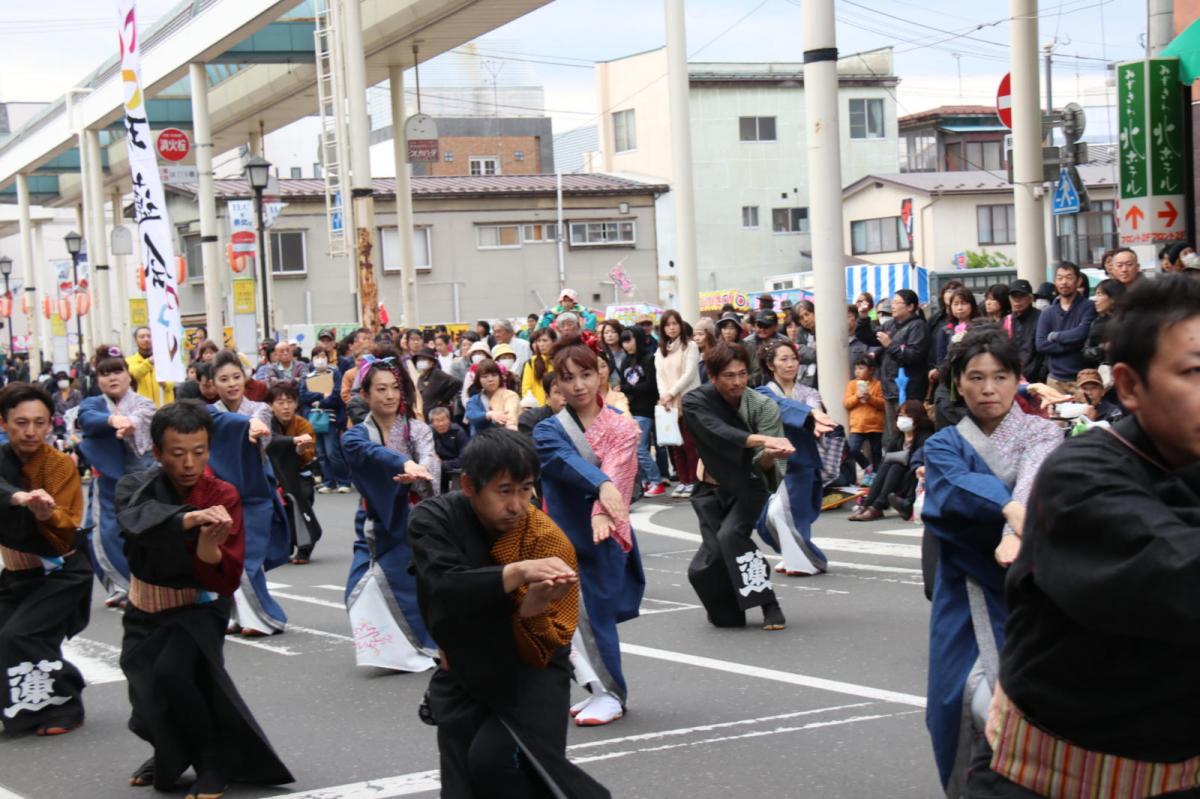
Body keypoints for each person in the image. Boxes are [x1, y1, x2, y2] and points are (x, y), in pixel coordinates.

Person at [965, 275, 1200, 797]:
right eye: (1196, 372)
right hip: (1044, 782)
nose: (989, 390)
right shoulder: (1084, 470)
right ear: (1130, 386)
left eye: (999, 377)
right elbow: (1178, 575)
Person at [409, 429, 611, 799]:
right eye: (504, 490)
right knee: (460, 785)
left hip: (530, 672)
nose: (517, 504)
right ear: (469, 485)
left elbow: (553, 638)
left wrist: (532, 610)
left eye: (525, 489)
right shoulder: (434, 518)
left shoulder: (546, 540)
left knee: (499, 761)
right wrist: (516, 573)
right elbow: (443, 585)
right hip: (465, 667)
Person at [116, 401, 293, 796]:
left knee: (174, 675)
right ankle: (170, 750)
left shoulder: (222, 494)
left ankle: (211, 763)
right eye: (177, 454)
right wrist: (188, 519)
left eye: (199, 452)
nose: (189, 463)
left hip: (197, 608)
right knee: (144, 696)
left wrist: (208, 549)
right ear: (158, 452)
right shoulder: (136, 486)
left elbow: (226, 576)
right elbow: (134, 520)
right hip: (144, 607)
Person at [919, 326, 1063, 797]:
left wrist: (1012, 526)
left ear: (1017, 379)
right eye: (976, 377)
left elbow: (1035, 481)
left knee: (1031, 714)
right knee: (955, 705)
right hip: (966, 592)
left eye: (1000, 377)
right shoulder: (944, 444)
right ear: (958, 382)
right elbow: (952, 493)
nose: (988, 389)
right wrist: (1009, 513)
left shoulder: (1045, 433)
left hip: (1034, 594)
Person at [533, 336, 644, 727]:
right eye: (567, 378)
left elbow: (620, 472)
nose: (578, 385)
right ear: (556, 385)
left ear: (601, 375)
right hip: (563, 534)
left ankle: (612, 693)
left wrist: (602, 509)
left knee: (594, 616)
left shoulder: (622, 427)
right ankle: (597, 689)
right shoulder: (548, 430)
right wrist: (602, 487)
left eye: (585, 374)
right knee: (565, 618)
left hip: (603, 536)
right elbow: (564, 462)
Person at [682, 342, 804, 631]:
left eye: (742, 374)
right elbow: (717, 432)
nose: (737, 382)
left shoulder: (762, 406)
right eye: (728, 376)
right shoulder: (695, 401)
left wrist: (768, 456)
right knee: (707, 564)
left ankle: (768, 602)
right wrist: (762, 441)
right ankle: (728, 612)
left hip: (749, 486)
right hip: (709, 487)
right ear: (712, 376)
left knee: (731, 536)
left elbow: (767, 467)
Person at [341, 352, 440, 672]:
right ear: (366, 395)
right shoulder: (358, 434)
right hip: (376, 520)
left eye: (394, 387)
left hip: (416, 519)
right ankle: (393, 650)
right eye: (380, 389)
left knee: (409, 583)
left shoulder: (416, 429)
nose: (388, 395)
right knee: (360, 586)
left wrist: (420, 473)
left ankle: (424, 646)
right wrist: (402, 463)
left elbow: (429, 460)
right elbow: (365, 452)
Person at [0, 383, 88, 736]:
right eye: (21, 422)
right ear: (3, 423)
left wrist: (44, 514)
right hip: (18, 572)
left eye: (39, 422)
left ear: (50, 423)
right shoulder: (3, 461)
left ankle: (67, 703)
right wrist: (20, 498)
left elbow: (69, 525)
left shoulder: (58, 465)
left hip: (62, 571)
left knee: (19, 635)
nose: (31, 431)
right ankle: (22, 707)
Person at [209, 350, 290, 637]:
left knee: (249, 559)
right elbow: (216, 423)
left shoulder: (260, 409)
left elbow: (262, 428)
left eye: (236, 377)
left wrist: (254, 426)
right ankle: (236, 613)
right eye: (223, 379)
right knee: (226, 559)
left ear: (245, 378)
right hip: (221, 496)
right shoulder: (211, 414)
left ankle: (266, 618)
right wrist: (244, 425)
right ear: (213, 384)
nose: (231, 383)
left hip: (255, 493)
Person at [77, 345, 157, 607]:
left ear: (128, 374)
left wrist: (129, 423)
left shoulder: (143, 403)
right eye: (105, 373)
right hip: (108, 480)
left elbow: (143, 417)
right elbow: (87, 418)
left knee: (143, 532)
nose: (112, 378)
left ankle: (145, 583)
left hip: (141, 478)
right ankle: (122, 585)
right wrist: (113, 421)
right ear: (97, 379)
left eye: (117, 371)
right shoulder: (93, 404)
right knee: (100, 534)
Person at [857, 289, 930, 448]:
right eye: (892, 302)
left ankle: (911, 464)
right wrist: (863, 317)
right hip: (889, 387)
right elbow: (868, 336)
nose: (893, 306)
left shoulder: (918, 326)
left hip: (908, 389)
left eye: (897, 303)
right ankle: (896, 462)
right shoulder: (889, 324)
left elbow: (913, 355)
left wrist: (890, 345)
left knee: (910, 430)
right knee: (894, 433)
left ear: (910, 307)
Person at [264, 382, 322, 565]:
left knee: (302, 508)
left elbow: (309, 454)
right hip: (276, 475)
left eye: (290, 401)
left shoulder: (303, 424)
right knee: (281, 512)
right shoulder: (267, 423)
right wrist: (292, 441)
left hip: (301, 474)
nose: (286, 407)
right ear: (271, 406)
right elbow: (269, 442)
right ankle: (285, 547)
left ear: (296, 404)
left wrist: (299, 450)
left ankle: (305, 549)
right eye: (280, 402)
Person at [849, 400, 934, 522]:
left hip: (911, 478)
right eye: (900, 415)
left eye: (906, 415)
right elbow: (888, 456)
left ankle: (877, 507)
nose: (902, 419)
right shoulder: (899, 435)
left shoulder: (925, 436)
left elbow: (918, 460)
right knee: (886, 466)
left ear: (917, 417)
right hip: (894, 476)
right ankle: (867, 504)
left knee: (895, 466)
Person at [655, 310, 700, 498]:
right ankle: (683, 480)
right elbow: (659, 376)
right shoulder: (660, 350)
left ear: (681, 325)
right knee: (675, 443)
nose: (671, 328)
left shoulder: (690, 346)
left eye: (675, 323)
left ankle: (694, 481)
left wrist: (671, 393)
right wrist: (664, 395)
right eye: (667, 325)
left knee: (690, 443)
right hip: (669, 403)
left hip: (688, 400)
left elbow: (689, 374)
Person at [1035, 261, 1097, 395]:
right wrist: (1074, 344)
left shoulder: (1089, 307)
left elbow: (1083, 333)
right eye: (1060, 278)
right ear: (1055, 281)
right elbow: (1040, 345)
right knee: (1055, 416)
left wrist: (1055, 336)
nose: (1064, 282)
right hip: (1054, 380)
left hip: (1083, 380)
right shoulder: (1047, 312)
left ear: (1079, 280)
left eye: (1069, 277)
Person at [617, 327, 665, 496]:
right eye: (624, 341)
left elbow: (651, 386)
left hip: (645, 410)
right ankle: (645, 481)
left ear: (638, 339)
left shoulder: (648, 359)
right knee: (635, 448)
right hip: (630, 410)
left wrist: (625, 388)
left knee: (640, 448)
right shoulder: (625, 361)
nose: (627, 345)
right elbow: (625, 384)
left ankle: (656, 481)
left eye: (629, 340)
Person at [843, 357, 886, 476]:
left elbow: (882, 404)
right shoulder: (851, 384)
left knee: (876, 452)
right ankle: (867, 466)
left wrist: (870, 398)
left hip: (875, 425)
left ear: (871, 370)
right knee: (853, 449)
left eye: (861, 368)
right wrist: (857, 396)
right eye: (856, 368)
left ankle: (876, 476)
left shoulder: (877, 384)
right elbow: (846, 403)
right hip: (857, 425)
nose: (857, 371)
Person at [465, 358, 520, 437]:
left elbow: (511, 410)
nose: (490, 379)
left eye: (494, 375)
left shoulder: (509, 395)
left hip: (505, 440)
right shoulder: (475, 400)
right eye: (485, 376)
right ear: (478, 380)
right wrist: (489, 414)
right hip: (481, 443)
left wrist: (511, 425)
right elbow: (472, 415)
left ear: (500, 377)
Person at [1081, 278, 1125, 369]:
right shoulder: (1098, 323)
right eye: (1095, 294)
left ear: (1113, 298)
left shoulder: (1130, 321)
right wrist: (1103, 348)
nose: (1096, 300)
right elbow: (1086, 353)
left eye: (1099, 294)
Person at [1006, 280, 1044, 384]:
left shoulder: (1042, 317)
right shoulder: (1007, 321)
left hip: (1036, 378)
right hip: (1013, 378)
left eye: (1021, 296)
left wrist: (1041, 374)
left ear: (1030, 298)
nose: (1017, 300)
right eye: (1014, 297)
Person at [126, 326, 175, 407]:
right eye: (142, 337)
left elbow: (171, 383)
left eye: (149, 336)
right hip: (142, 408)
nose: (146, 339)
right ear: (136, 340)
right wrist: (150, 362)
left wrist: (165, 383)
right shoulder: (129, 361)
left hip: (165, 407)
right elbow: (134, 374)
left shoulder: (165, 359)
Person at [429, 406, 469, 493]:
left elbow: (465, 457)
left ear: (449, 419)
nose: (441, 424)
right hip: (437, 467)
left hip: (456, 466)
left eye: (443, 419)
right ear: (432, 423)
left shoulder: (458, 431)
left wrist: (443, 464)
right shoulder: (429, 432)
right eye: (437, 421)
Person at [413, 346, 462, 416]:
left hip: (438, 415)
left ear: (432, 362)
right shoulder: (421, 377)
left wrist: (443, 400)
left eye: (423, 359)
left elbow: (457, 383)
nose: (420, 362)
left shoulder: (437, 374)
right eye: (419, 360)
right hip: (426, 415)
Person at [520, 327, 557, 406]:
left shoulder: (560, 361)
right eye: (538, 341)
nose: (541, 344)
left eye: (544, 340)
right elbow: (526, 388)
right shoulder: (531, 362)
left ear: (554, 342)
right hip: (538, 408)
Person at [793, 301, 819, 388]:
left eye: (807, 314)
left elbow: (822, 356)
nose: (805, 319)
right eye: (801, 318)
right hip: (805, 380)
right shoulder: (801, 332)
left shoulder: (823, 329)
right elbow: (797, 354)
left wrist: (805, 350)